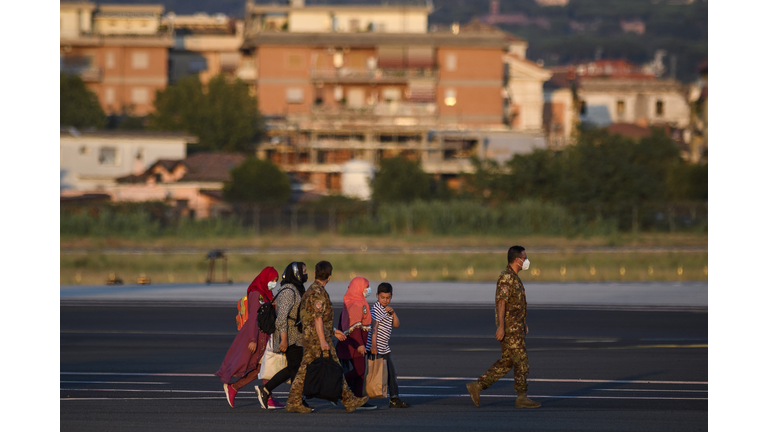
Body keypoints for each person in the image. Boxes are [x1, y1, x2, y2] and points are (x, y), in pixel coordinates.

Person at [285, 261, 369, 413]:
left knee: (305, 369)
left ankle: (294, 400)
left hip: (314, 335)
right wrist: (323, 340)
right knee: (334, 366)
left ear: (316, 274)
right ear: (329, 276)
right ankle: (348, 400)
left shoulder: (312, 289)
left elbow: (316, 318)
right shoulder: (318, 293)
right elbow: (317, 318)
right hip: (317, 338)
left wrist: (333, 330)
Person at [466, 246, 541, 409]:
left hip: (516, 326)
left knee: (507, 362)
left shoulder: (513, 277)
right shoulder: (507, 277)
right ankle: (522, 397)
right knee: (522, 360)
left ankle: (477, 386)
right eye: (524, 257)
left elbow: (516, 304)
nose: (526, 261)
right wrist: (501, 327)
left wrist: (523, 323)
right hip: (510, 329)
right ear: (517, 260)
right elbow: (502, 302)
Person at [216, 266, 281, 408]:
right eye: (272, 280)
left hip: (265, 336)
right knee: (262, 366)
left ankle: (235, 388)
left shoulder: (267, 294)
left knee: (262, 367)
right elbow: (253, 318)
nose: (274, 283)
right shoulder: (257, 293)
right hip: (256, 335)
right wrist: (252, 339)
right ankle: (266, 397)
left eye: (276, 280)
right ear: (265, 278)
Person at [256, 262, 310, 410]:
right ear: (296, 273)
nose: (305, 273)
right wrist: (284, 339)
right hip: (289, 336)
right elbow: (281, 318)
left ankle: (277, 393)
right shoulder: (288, 291)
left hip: (297, 336)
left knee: (294, 368)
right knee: (296, 368)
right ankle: (296, 399)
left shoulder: (298, 288)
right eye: (303, 271)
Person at [366, 282, 410, 408]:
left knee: (392, 373)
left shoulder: (387, 310)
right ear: (377, 296)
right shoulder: (376, 309)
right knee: (371, 373)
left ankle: (394, 398)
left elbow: (396, 324)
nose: (385, 300)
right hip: (375, 348)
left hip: (385, 348)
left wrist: (393, 313)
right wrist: (373, 346)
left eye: (388, 298)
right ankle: (362, 396)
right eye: (382, 297)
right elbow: (374, 328)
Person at [336, 277, 377, 410]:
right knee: (360, 370)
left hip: (357, 342)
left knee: (360, 372)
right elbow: (355, 327)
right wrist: (360, 344)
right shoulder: (355, 303)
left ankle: (359, 399)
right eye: (367, 286)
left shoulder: (358, 301)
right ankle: (335, 387)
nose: (368, 289)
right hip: (355, 344)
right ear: (359, 288)